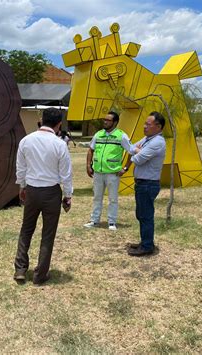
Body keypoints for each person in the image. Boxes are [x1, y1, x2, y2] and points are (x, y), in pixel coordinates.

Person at [14, 107, 73, 285]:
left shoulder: (26, 140)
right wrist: (68, 196)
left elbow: (21, 168)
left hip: (32, 189)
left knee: (26, 230)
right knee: (48, 233)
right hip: (51, 192)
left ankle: (20, 270)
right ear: (59, 124)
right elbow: (66, 174)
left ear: (42, 119)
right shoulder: (60, 144)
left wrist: (22, 186)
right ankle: (40, 274)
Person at [126, 111, 166, 257]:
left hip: (148, 184)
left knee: (146, 215)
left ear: (158, 126)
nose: (144, 127)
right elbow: (130, 148)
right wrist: (138, 150)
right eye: (145, 123)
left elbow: (137, 159)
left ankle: (147, 246)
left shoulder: (157, 142)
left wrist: (137, 152)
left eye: (148, 124)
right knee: (141, 214)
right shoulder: (148, 139)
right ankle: (145, 242)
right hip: (142, 183)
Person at [84, 111, 131, 231]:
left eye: (108, 120)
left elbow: (131, 151)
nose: (105, 122)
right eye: (104, 119)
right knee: (97, 197)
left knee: (113, 198)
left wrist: (125, 168)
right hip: (98, 173)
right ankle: (94, 221)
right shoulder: (98, 134)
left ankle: (111, 222)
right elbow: (91, 150)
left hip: (112, 173)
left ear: (115, 122)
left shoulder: (121, 136)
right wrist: (88, 166)